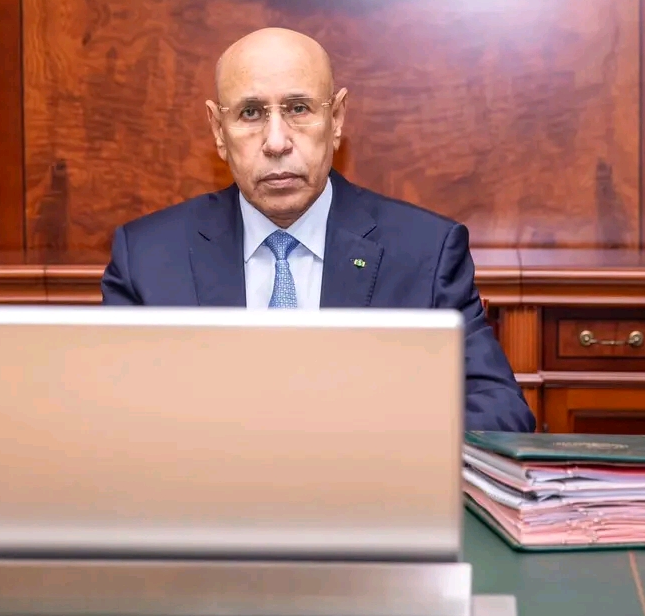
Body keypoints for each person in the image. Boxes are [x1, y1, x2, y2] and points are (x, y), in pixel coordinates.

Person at [101, 27, 535, 432]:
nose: (276, 142)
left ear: (337, 118)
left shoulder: (425, 251)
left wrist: (355, 448)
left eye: (298, 109)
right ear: (218, 129)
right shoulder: (148, 258)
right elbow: (110, 415)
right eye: (250, 113)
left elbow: (500, 410)